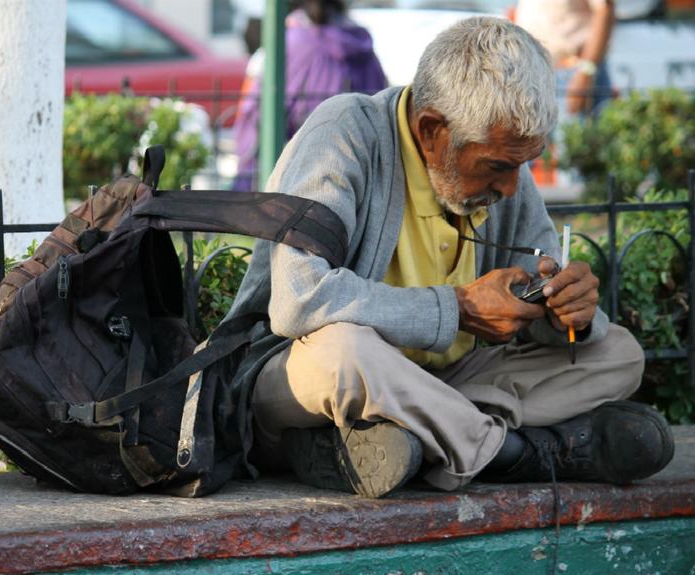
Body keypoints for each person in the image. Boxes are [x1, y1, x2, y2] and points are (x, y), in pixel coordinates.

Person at [220, 16, 674, 498]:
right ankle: (516, 454)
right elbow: (299, 301)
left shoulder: (503, 168)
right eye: (498, 166)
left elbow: (548, 306)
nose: (511, 187)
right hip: (299, 380)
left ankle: (415, 436)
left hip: (435, 382)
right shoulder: (344, 133)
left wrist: (567, 313)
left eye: (522, 165)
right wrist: (458, 308)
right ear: (432, 130)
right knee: (347, 351)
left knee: (616, 351)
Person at [231, 0, 387, 191]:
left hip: (291, 173)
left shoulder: (291, 43)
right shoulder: (362, 45)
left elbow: (256, 117)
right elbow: (379, 109)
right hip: (355, 171)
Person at [515, 0, 615, 117]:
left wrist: (586, 70)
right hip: (534, 73)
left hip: (573, 74)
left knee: (578, 133)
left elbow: (604, 10)